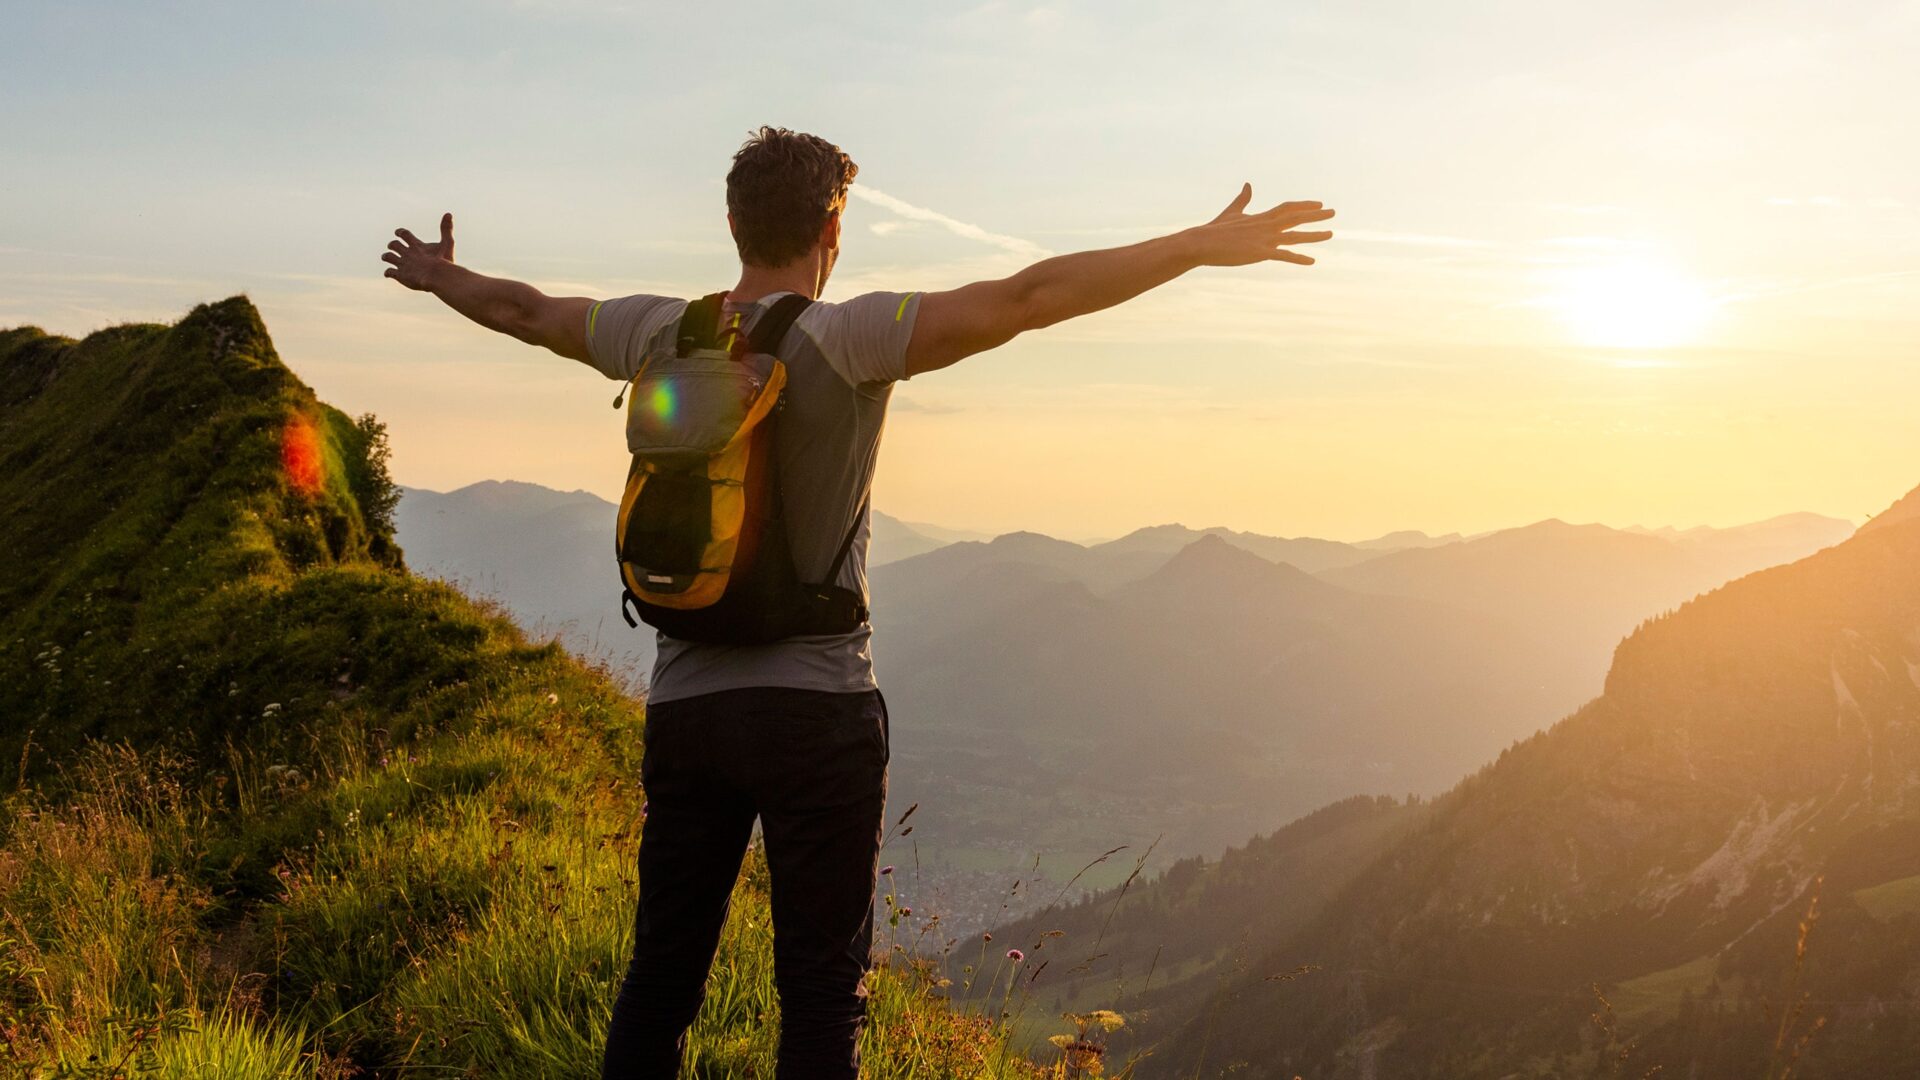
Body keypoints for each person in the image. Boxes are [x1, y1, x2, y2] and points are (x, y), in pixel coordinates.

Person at [380, 125, 1333, 1079]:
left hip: (687, 707)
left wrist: (437, 278)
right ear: (831, 225)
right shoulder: (851, 336)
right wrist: (1193, 247)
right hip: (818, 708)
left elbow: (525, 309)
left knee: (661, 981)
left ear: (731, 220)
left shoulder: (656, 332)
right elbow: (1031, 297)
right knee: (821, 997)